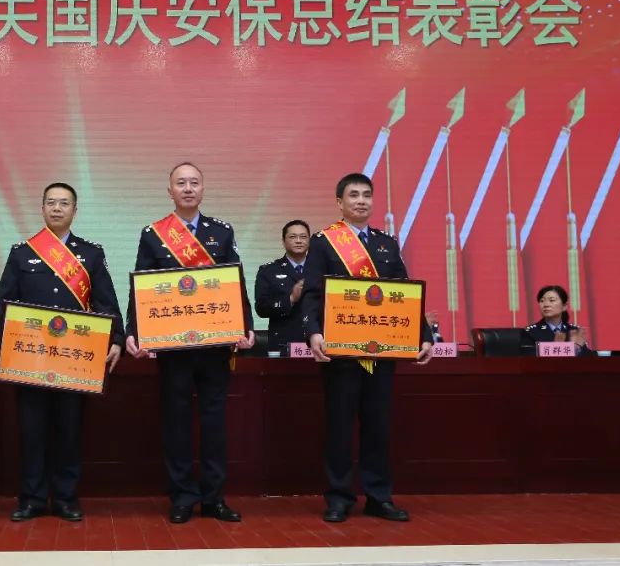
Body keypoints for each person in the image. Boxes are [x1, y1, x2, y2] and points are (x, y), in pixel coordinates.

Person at [125, 162, 255, 524]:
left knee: (214, 424)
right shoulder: (153, 234)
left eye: (194, 182)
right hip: (173, 348)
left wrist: (246, 325)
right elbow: (141, 286)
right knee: (177, 423)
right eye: (180, 183)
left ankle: (214, 498)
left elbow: (235, 281)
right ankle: (182, 497)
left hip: (215, 345)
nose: (187, 188)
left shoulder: (222, 232)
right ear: (169, 191)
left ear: (203, 189)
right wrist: (135, 329)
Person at [0, 182, 124, 523]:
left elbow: (106, 301)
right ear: (42, 208)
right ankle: (32, 499)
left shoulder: (91, 254)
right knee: (31, 431)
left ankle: (65, 498)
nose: (57, 208)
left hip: (74, 360)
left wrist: (117, 339)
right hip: (29, 357)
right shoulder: (22, 253)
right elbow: (4, 301)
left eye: (64, 203)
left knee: (69, 430)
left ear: (75, 210)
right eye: (51, 203)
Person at [301, 172, 433, 524]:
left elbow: (405, 295)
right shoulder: (324, 243)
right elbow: (312, 294)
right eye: (353, 195)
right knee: (340, 428)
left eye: (366, 195)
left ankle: (379, 496)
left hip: (382, 351)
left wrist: (423, 335)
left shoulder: (387, 244)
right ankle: (339, 497)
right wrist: (313, 332)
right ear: (340, 202)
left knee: (378, 427)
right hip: (340, 353)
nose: (361, 201)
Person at [255, 219, 310, 353]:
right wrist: (290, 299)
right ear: (283, 241)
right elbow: (261, 308)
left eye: (303, 237)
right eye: (293, 237)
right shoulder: (268, 271)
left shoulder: (321, 269)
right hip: (283, 343)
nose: (298, 241)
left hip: (316, 342)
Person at [522, 285, 593, 356]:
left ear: (564, 306)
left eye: (552, 300)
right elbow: (529, 358)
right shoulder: (530, 332)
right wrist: (557, 347)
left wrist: (577, 348)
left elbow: (589, 358)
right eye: (542, 301)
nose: (546, 305)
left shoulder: (574, 331)